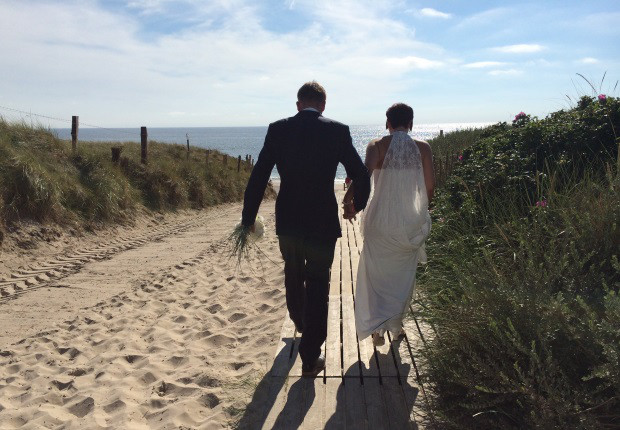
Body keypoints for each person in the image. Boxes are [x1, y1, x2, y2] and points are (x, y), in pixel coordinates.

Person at [241, 81, 371, 377]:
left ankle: (300, 321)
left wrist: (248, 218)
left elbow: (259, 174)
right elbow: (360, 174)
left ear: (298, 104)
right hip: (322, 222)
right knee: (318, 284)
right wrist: (356, 205)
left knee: (293, 271)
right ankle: (311, 356)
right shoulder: (337, 130)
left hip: (288, 219)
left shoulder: (278, 128)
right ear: (323, 105)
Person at [343, 103, 434, 346]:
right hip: (409, 221)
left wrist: (348, 201)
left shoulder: (377, 145)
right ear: (411, 123)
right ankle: (395, 325)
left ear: (387, 123)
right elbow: (430, 187)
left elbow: (364, 175)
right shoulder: (423, 148)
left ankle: (378, 328)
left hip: (380, 220)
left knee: (376, 275)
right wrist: (421, 212)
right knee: (402, 278)